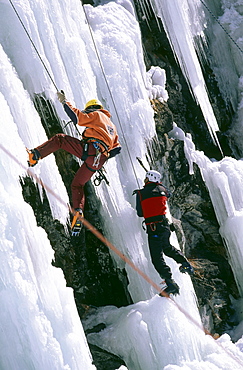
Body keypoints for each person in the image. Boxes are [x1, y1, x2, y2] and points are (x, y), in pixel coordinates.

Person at [27, 91, 121, 228]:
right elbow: (117, 149)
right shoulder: (112, 127)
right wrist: (102, 157)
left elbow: (78, 118)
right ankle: (78, 212)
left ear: (92, 109)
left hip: (91, 150)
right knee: (77, 185)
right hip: (99, 159)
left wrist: (65, 102)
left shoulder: (97, 115)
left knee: (60, 139)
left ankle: (34, 155)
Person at [134, 170, 193, 295]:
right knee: (167, 248)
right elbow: (168, 194)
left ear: (148, 179)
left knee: (157, 257)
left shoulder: (141, 193)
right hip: (165, 226)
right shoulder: (163, 190)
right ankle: (184, 262)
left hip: (154, 228)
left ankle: (170, 281)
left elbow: (140, 213)